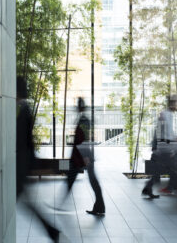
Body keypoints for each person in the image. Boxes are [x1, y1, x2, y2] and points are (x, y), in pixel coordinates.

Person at [16, 77, 60, 242]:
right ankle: (51, 230)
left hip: (21, 163)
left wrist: (29, 164)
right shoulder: (24, 108)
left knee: (25, 201)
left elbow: (25, 140)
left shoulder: (24, 109)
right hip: (22, 162)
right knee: (26, 202)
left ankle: (51, 229)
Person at [64, 97, 105, 216]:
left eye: (77, 105)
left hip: (83, 156)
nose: (76, 107)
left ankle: (100, 206)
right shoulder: (83, 119)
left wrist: (85, 157)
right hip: (81, 155)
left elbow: (85, 139)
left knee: (92, 181)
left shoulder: (84, 120)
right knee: (85, 179)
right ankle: (99, 207)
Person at [142, 97, 175, 199]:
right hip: (163, 147)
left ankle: (148, 189)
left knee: (158, 172)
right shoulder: (164, 115)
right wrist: (156, 146)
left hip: (164, 147)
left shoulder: (168, 114)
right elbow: (161, 131)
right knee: (173, 169)